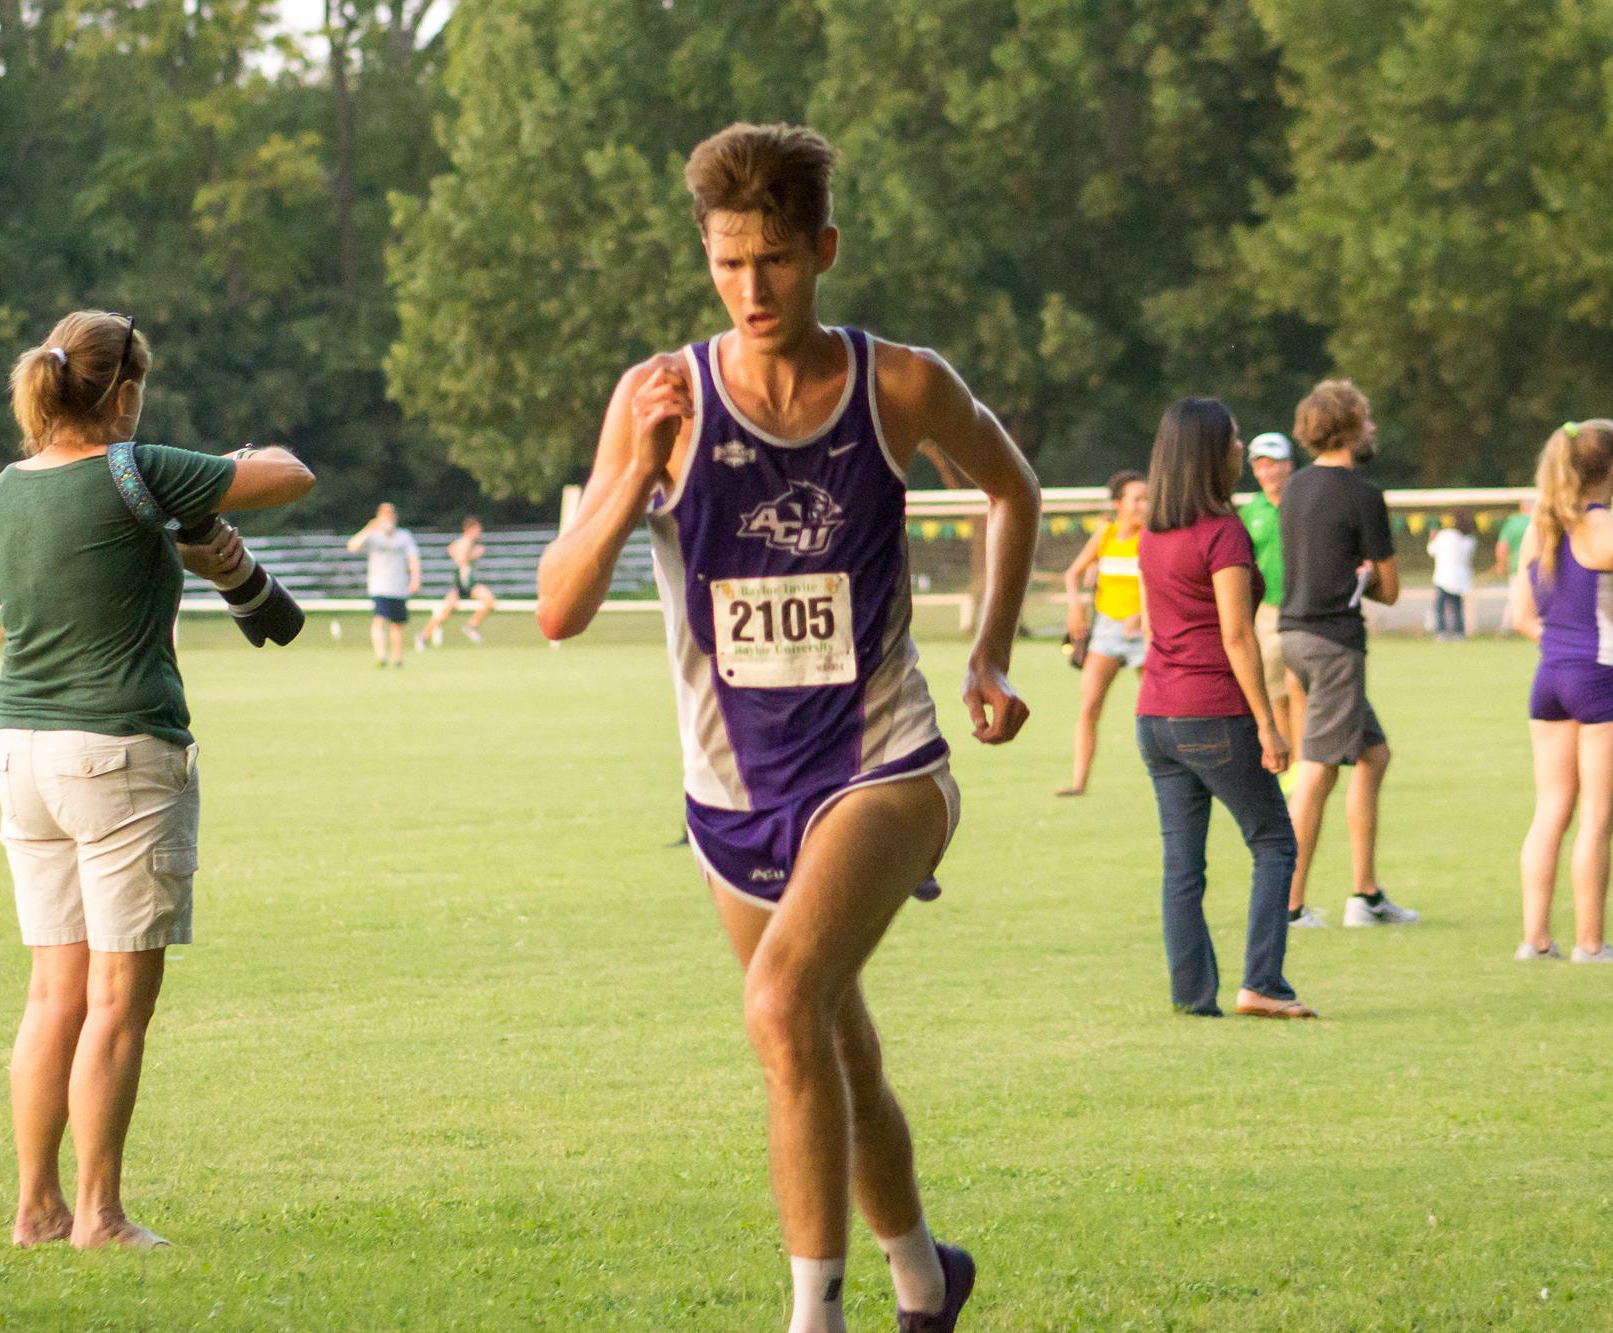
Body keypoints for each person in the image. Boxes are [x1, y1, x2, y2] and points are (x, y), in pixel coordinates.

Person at [536, 123, 1039, 1333]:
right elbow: (559, 606)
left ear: (822, 250)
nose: (750, 290)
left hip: (883, 764)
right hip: (731, 789)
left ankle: (813, 1317)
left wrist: (985, 652)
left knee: (775, 1007)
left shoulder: (898, 383)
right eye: (725, 264)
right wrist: (631, 474)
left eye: (773, 261)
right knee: (827, 1043)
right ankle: (926, 1280)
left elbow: (1010, 487)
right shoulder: (657, 395)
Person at [0, 309, 314, 1250]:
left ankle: (36, 1207)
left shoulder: (5, 489)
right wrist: (223, 464)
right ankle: (99, 1213)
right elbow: (290, 476)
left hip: (23, 752)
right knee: (120, 1003)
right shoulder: (137, 467)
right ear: (123, 391)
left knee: (54, 992)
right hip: (122, 753)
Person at [1136, 399, 1311, 1018]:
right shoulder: (1223, 533)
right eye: (1235, 440)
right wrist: (1269, 724)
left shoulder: (1152, 533)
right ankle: (1263, 983)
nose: (1242, 450)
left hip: (1155, 716)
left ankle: (1191, 995)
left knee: (1182, 864)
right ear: (1212, 454)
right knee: (1275, 843)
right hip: (1212, 711)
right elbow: (1237, 635)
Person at [1278, 378, 1418, 928]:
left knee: (1373, 755)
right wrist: (1366, 576)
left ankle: (1366, 895)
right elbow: (1390, 589)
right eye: (1367, 417)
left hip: (1294, 635)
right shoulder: (1363, 493)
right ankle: (1286, 906)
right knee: (1317, 773)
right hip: (1334, 643)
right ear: (1352, 426)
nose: (1373, 426)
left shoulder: (1293, 488)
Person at [1506, 420, 1613, 964]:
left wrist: (1565, 650)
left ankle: (1536, 939)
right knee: (1598, 816)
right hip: (1602, 680)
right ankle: (1591, 944)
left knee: (1551, 808)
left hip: (1549, 680)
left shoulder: (1541, 528)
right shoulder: (1610, 531)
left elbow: (1520, 616)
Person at [1057, 471, 1148, 796]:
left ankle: (1173, 775)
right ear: (1119, 504)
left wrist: (1142, 614)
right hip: (1108, 630)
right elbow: (1072, 575)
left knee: (1158, 708)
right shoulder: (1106, 534)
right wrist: (1076, 608)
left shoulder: (1152, 536)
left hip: (1146, 633)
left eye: (1146, 498)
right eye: (1136, 499)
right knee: (1090, 704)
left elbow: (1162, 583)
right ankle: (1079, 782)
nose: (1143, 505)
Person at [1236, 432, 1300, 769]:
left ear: (1288, 465)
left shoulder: (1304, 502)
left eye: (1273, 464)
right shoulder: (1250, 512)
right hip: (1268, 611)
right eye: (1260, 465)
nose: (1267, 472)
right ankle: (1286, 758)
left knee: (1299, 686)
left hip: (1304, 607)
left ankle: (1306, 760)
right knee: (1276, 690)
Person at [345, 503, 419, 667]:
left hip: (399, 586)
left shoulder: (403, 536)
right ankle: (381, 657)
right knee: (379, 620)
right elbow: (352, 546)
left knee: (398, 625)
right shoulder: (373, 535)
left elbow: (413, 558)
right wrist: (368, 528)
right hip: (380, 585)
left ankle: (397, 659)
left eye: (390, 515)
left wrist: (415, 579)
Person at [418, 515, 497, 648]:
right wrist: (474, 555)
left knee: (489, 600)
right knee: (446, 612)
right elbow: (461, 559)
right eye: (477, 530)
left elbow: (451, 549)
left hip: (469, 583)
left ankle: (471, 626)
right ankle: (423, 636)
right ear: (469, 529)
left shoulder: (469, 543)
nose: (479, 533)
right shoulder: (465, 542)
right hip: (461, 582)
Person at [1427, 515, 1477, 639]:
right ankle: (1459, 632)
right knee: (1457, 606)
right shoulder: (1470, 540)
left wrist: (1432, 537)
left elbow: (1431, 550)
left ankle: (1441, 631)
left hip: (1443, 576)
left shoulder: (1445, 535)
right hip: (1460, 578)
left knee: (1440, 606)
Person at [1495, 497, 1537, 636]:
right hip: (1539, 567)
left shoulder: (1512, 522)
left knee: (1515, 598)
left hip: (1516, 568)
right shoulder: (1540, 521)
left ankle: (1507, 629)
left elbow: (1502, 546)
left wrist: (1502, 564)